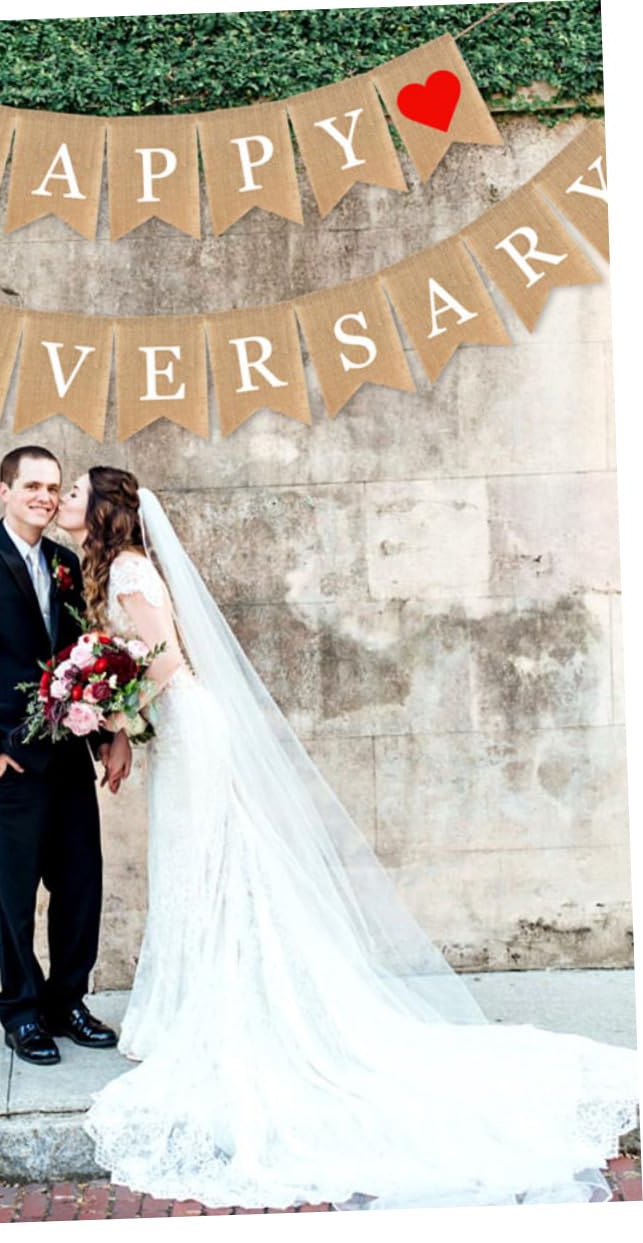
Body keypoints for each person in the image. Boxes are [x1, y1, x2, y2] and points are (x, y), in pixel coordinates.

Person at [55, 465, 640, 1210]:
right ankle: (180, 1004)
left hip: (190, 729)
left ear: (103, 510)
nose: (64, 499)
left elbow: (165, 660)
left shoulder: (131, 569)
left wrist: (112, 711)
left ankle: (198, 1010)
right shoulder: (113, 568)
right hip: (176, 732)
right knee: (194, 864)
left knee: (204, 863)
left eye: (74, 492)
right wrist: (118, 719)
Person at [0, 446, 132, 1067]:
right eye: (32, 486)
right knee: (15, 894)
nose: (45, 497)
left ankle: (67, 1002)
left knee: (80, 886)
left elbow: (83, 661)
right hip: (8, 763)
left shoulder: (66, 564)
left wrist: (106, 737)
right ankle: (22, 1011)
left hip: (67, 756)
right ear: (5, 491)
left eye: (52, 487)